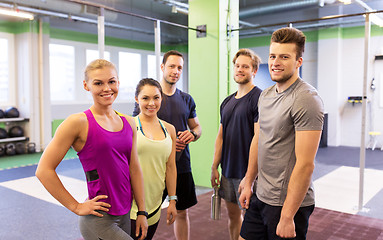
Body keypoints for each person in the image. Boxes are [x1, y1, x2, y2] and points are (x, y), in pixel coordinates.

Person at [35, 59, 148, 240]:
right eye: (98, 83)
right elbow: (43, 170)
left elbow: (134, 167)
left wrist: (142, 211)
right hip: (99, 220)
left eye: (111, 81)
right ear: (86, 85)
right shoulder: (77, 122)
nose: (107, 88)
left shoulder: (128, 122)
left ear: (118, 82)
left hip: (125, 214)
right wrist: (76, 206)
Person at [238, 27, 324, 240]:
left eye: (284, 57)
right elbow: (259, 138)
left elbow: (306, 164)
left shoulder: (306, 99)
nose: (276, 62)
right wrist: (249, 180)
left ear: (298, 62)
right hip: (261, 195)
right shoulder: (265, 95)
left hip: (288, 204)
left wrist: (287, 217)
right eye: (273, 56)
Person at [133, 50, 202, 240]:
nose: (176, 71)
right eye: (172, 66)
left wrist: (193, 134)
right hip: (152, 169)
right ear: (162, 67)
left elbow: (197, 127)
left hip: (180, 166)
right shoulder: (149, 98)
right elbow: (136, 129)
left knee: (181, 212)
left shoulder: (187, 99)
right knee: (143, 212)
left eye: (180, 67)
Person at [210, 48, 262, 240]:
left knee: (251, 222)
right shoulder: (227, 102)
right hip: (228, 171)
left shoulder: (259, 98)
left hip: (248, 174)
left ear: (254, 70)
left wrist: (251, 177)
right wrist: (215, 166)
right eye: (237, 66)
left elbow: (259, 137)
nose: (240, 69)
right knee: (233, 216)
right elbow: (221, 136)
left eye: (245, 67)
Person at [130, 78, 177, 240]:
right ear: (137, 99)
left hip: (155, 203)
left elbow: (170, 167)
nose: (151, 103)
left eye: (156, 97)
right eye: (145, 98)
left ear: (161, 98)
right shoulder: (129, 125)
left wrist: (172, 200)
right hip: (130, 205)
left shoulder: (169, 129)